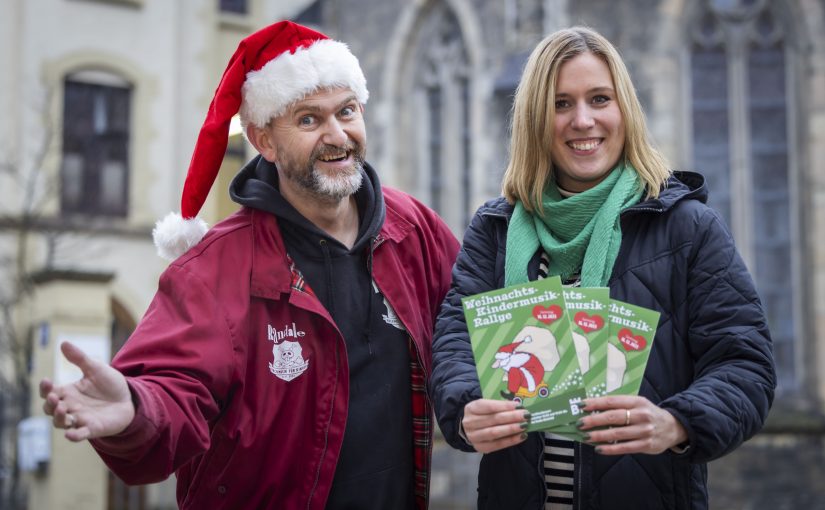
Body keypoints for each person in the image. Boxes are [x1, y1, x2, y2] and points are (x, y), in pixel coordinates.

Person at [39, 21, 459, 510]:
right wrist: (134, 410)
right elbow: (170, 392)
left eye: (347, 111)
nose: (337, 135)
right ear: (264, 141)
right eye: (308, 120)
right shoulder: (212, 270)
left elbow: (470, 324)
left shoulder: (414, 230)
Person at [430, 26, 775, 510]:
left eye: (599, 98)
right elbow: (454, 343)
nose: (583, 120)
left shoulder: (688, 228)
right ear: (535, 118)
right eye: (561, 104)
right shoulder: (495, 231)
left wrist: (675, 423)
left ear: (623, 111)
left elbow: (746, 365)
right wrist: (465, 408)